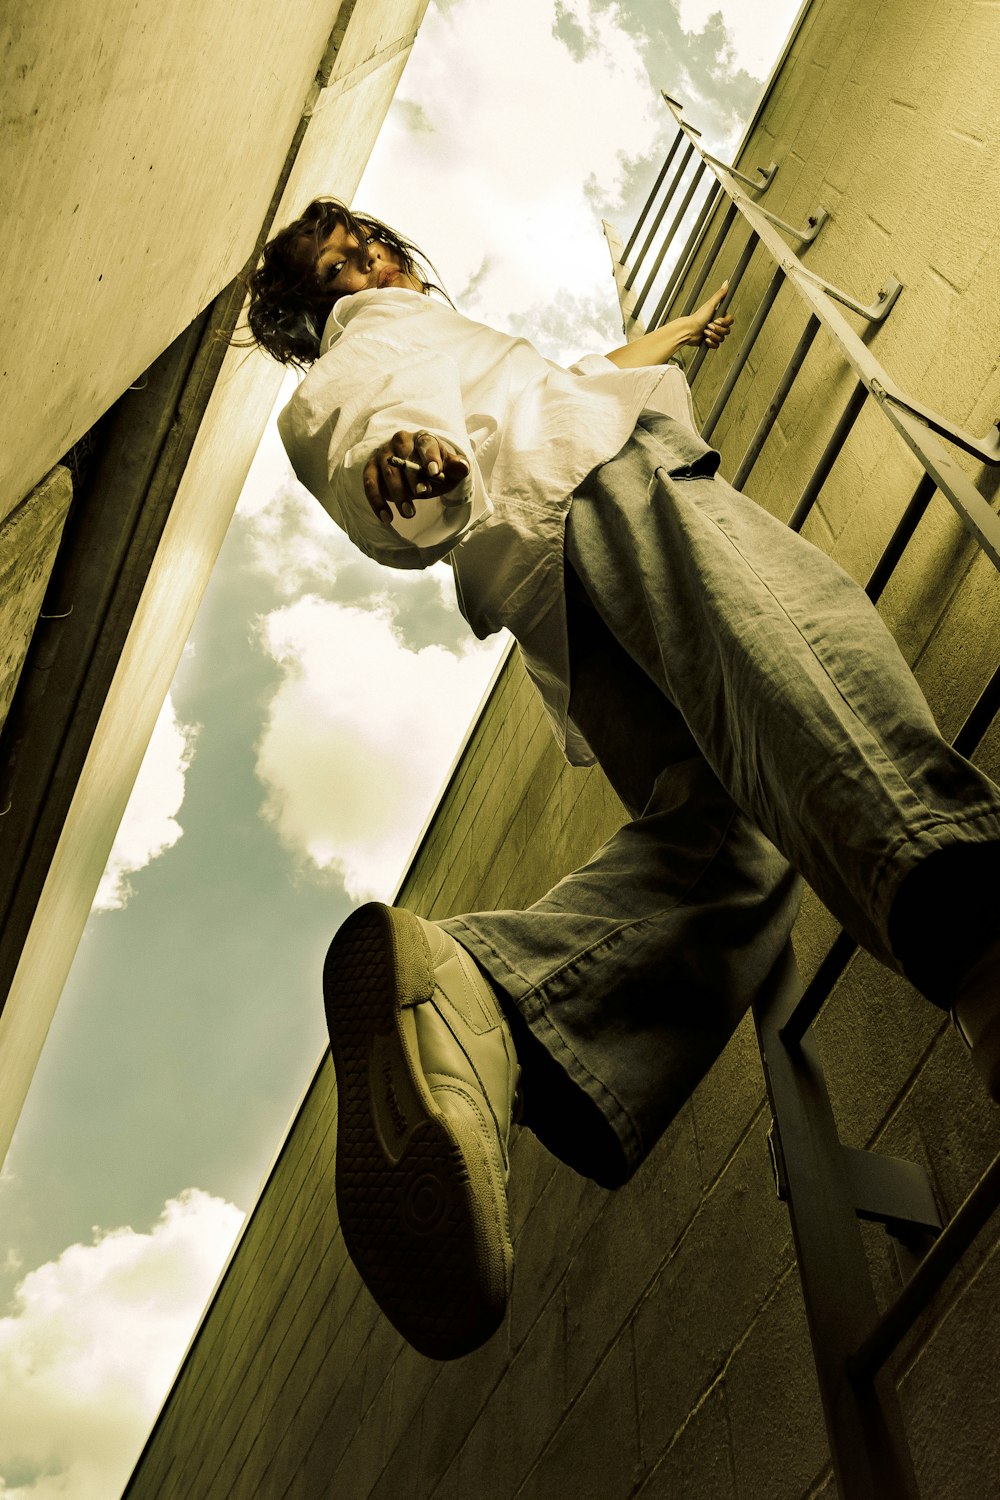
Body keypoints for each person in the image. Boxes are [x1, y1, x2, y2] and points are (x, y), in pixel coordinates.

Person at [246, 198, 1000, 1362]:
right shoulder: (370, 341)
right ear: (313, 307)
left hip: (562, 594)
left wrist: (674, 336)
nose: (363, 268)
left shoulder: (448, 350)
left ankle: (485, 1002)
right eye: (334, 267)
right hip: (600, 492)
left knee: (729, 853)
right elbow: (375, 427)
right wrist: (406, 464)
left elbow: (572, 375)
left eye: (364, 247)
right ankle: (990, 949)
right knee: (801, 663)